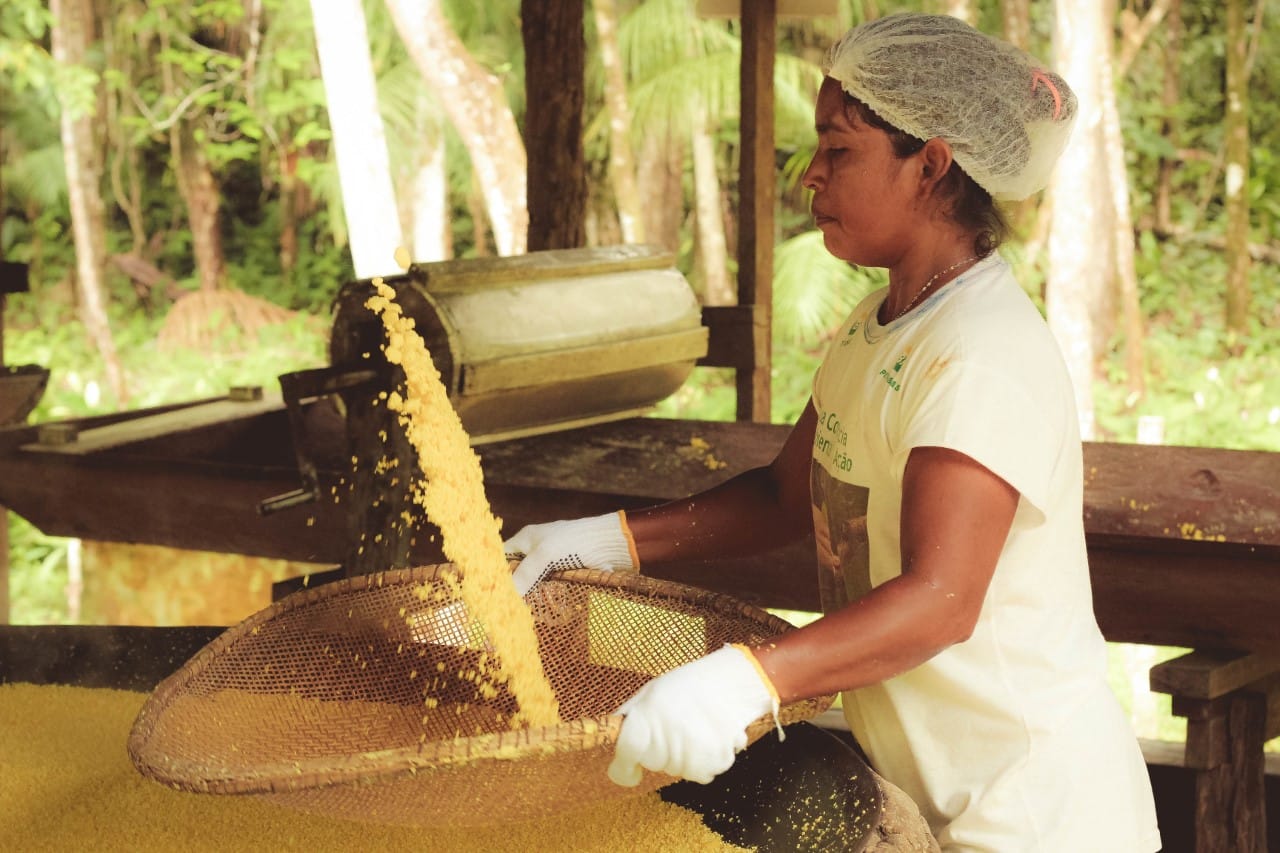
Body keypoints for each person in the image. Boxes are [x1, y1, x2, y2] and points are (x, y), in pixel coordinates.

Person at [504, 13, 1160, 852]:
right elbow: (787, 492)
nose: (809, 174)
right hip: (942, 800)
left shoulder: (980, 354)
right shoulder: (884, 323)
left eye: (838, 149)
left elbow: (941, 602)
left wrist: (748, 680)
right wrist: (605, 542)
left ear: (931, 165)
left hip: (1036, 815)